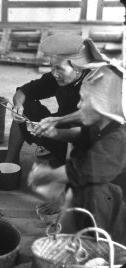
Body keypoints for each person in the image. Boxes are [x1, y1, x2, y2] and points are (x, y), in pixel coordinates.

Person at [28, 64, 126, 245]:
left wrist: (45, 175)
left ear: (101, 104)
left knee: (90, 189)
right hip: (103, 197)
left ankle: (104, 248)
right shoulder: (105, 122)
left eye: (84, 100)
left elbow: (81, 170)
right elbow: (83, 134)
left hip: (117, 208)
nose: (79, 105)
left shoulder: (119, 137)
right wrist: (57, 134)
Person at [4, 33, 108, 166]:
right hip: (60, 127)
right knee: (26, 108)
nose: (54, 73)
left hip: (86, 136)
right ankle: (10, 162)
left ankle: (64, 161)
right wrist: (18, 105)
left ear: (77, 68)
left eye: (59, 68)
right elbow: (24, 91)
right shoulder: (56, 76)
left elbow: (90, 119)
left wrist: (56, 127)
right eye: (51, 66)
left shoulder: (97, 82)